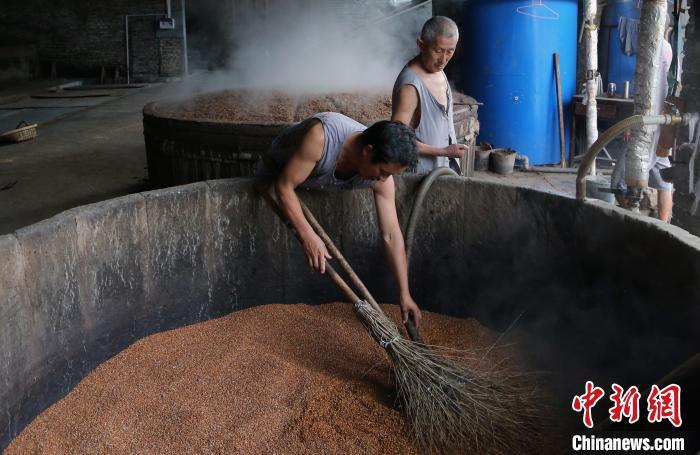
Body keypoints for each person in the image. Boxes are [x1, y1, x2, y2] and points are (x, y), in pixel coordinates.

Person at [259, 112, 422, 326]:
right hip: (277, 169)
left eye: (389, 174)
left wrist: (404, 293)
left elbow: (391, 234)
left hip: (313, 181)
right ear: (367, 151)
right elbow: (284, 187)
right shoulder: (321, 138)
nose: (383, 179)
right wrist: (309, 236)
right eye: (382, 171)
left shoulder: (381, 177)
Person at [612, 17, 674, 222]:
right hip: (660, 121)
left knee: (618, 181)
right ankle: (664, 225)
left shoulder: (652, 48)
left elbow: (646, 93)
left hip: (647, 122)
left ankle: (632, 219)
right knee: (663, 180)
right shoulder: (668, 48)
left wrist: (633, 121)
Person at [392, 16, 467, 174]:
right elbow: (397, 139)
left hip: (443, 172)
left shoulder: (437, 69)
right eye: (438, 51)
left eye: (450, 51)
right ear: (421, 44)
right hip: (420, 177)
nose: (443, 59)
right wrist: (444, 151)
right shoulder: (410, 86)